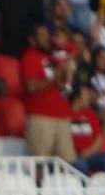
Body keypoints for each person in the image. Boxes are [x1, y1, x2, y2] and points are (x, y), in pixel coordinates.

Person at [22, 23, 77, 161]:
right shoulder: (30, 57)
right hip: (40, 117)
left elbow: (75, 48)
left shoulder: (55, 56)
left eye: (47, 34)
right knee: (40, 163)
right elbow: (31, 86)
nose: (47, 38)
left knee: (68, 165)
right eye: (41, 35)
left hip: (62, 116)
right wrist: (56, 76)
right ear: (32, 40)